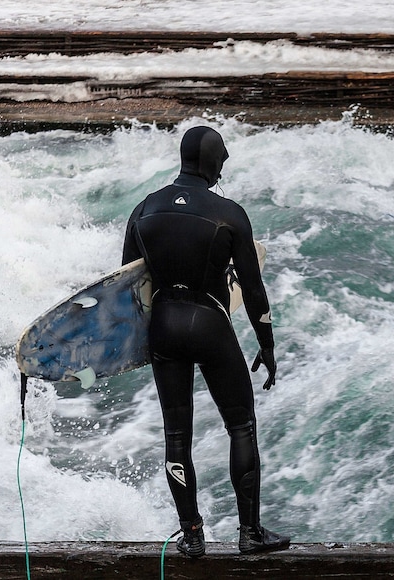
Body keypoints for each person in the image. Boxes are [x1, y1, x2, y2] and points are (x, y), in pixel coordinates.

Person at [122, 126, 290, 558]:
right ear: (213, 162)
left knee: (176, 436)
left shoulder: (144, 208)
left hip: (164, 325)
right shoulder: (230, 213)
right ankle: (250, 533)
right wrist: (266, 345)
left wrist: (138, 344)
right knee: (241, 426)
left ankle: (191, 534)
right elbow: (252, 289)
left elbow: (128, 282)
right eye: (224, 158)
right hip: (209, 324)